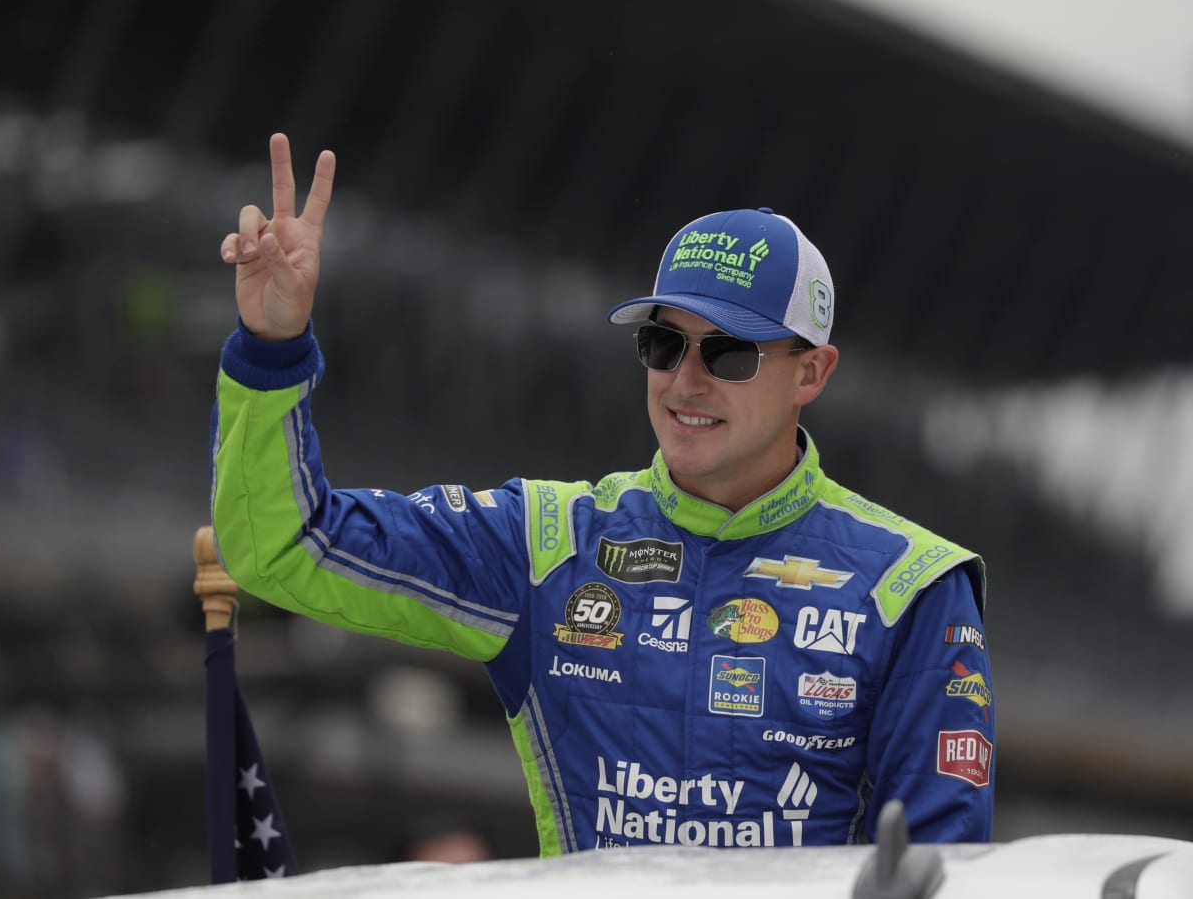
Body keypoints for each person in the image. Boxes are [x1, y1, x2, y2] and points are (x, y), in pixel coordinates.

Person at [211, 133, 994, 855]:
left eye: (728, 355)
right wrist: (272, 348)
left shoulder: (912, 586)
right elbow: (286, 546)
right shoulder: (548, 544)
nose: (686, 380)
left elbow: (939, 872)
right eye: (662, 344)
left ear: (812, 374)